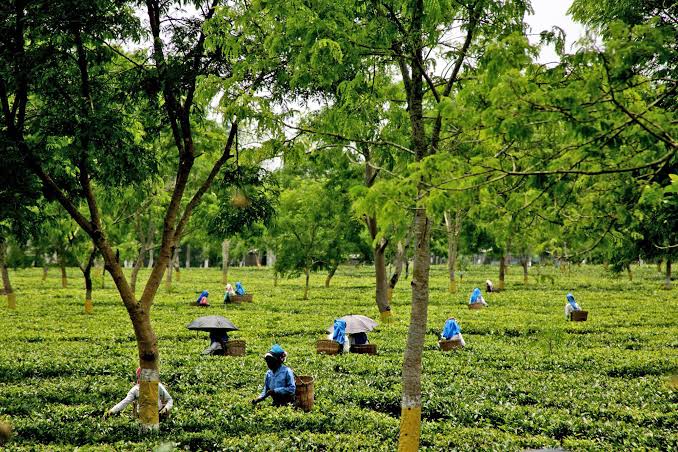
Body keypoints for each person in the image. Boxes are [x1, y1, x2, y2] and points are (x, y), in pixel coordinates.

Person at [104, 368, 173, 418]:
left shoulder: (157, 386)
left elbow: (169, 399)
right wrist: (111, 411)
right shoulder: (135, 390)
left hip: (158, 413)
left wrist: (165, 409)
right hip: (142, 415)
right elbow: (124, 402)